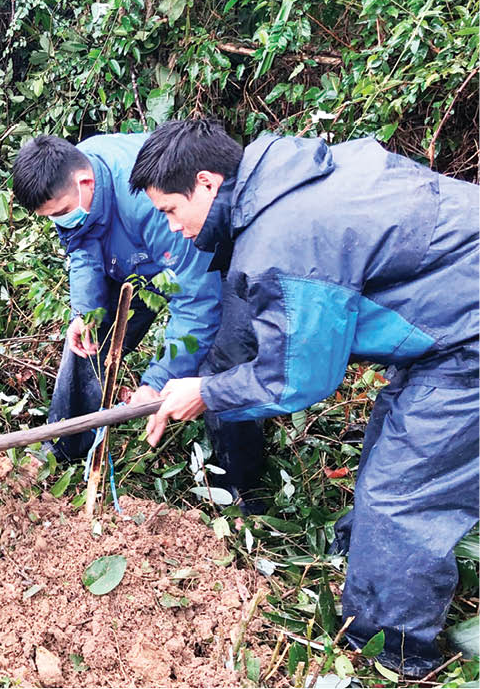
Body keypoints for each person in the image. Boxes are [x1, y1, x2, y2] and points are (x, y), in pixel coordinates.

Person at [131, 118, 479, 677]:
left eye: (171, 210)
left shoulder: (287, 237)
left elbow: (298, 377)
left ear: (206, 183)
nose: (172, 227)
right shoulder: (285, 182)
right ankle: (365, 559)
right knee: (390, 445)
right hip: (447, 328)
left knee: (402, 496)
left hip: (467, 341)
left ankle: (391, 652)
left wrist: (208, 391)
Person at [12, 133, 262, 494]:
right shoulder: (72, 179)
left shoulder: (159, 209)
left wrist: (157, 382)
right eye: (51, 217)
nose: (59, 221)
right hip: (134, 261)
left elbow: (196, 303)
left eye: (61, 213)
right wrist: (85, 311)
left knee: (222, 362)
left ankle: (241, 492)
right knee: (88, 337)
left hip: (202, 262)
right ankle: (65, 445)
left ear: (86, 183)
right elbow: (80, 243)